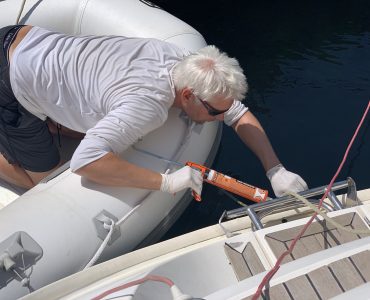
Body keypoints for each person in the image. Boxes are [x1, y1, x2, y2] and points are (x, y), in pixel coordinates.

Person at [0, 24, 308, 197]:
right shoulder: (148, 107)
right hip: (9, 79)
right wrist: (166, 182)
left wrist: (275, 169)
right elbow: (85, 161)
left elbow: (237, 114)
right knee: (39, 181)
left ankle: (53, 124)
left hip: (25, 38)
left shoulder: (181, 59)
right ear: (189, 96)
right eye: (215, 113)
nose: (219, 120)